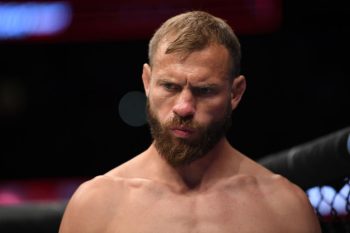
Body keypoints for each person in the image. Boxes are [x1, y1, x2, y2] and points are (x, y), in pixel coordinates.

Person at [59, 10, 321, 233]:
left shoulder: (284, 208)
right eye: (170, 86)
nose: (183, 107)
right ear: (147, 82)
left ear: (235, 92)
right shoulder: (95, 205)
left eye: (205, 90)